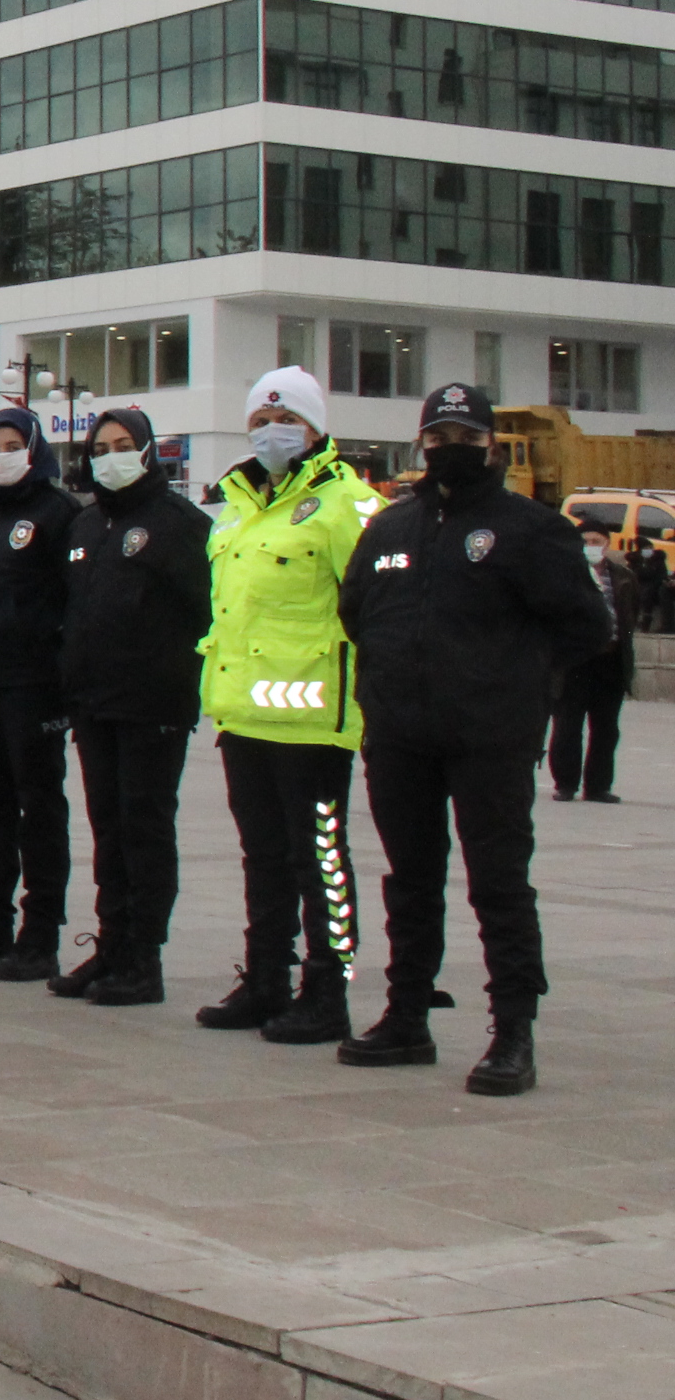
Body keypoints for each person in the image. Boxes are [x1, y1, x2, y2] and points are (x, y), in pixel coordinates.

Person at [338, 383, 609, 1094]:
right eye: (438, 437)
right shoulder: (390, 527)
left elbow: (588, 627)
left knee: (498, 884)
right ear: (420, 442)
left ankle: (513, 1030)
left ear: (489, 445)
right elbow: (355, 612)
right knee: (410, 880)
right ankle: (406, 1014)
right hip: (401, 736)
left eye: (465, 436)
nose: (450, 449)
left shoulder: (529, 529)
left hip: (489, 737)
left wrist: (522, 684)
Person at [194, 367, 383, 1044]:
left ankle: (328, 989)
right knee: (263, 855)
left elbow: (371, 606)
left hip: (312, 717)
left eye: (287, 421)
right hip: (244, 714)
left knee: (321, 857)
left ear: (314, 428)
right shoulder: (240, 500)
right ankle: (267, 975)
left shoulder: (345, 504)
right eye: (260, 421)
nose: (272, 432)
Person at [47, 406, 212, 1008]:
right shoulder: (88, 526)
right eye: (101, 447)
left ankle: (144, 956)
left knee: (144, 829)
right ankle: (112, 943)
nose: (110, 456)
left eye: (123, 444)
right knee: (108, 830)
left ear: (145, 451)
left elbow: (202, 613)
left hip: (152, 704)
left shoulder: (177, 523)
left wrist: (178, 684)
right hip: (95, 703)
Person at [0, 406, 80, 976]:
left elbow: (73, 600)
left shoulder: (58, 514)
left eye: (11, 445)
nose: (2, 456)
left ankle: (41, 930)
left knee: (38, 808)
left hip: (32, 685)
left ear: (34, 448)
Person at [550, 516, 635, 805]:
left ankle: (598, 786)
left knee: (607, 728)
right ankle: (566, 784)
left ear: (607, 544)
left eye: (597, 541)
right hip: (575, 662)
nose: (591, 546)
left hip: (610, 662)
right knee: (567, 727)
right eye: (586, 542)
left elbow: (628, 617)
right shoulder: (564, 574)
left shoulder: (623, 576)